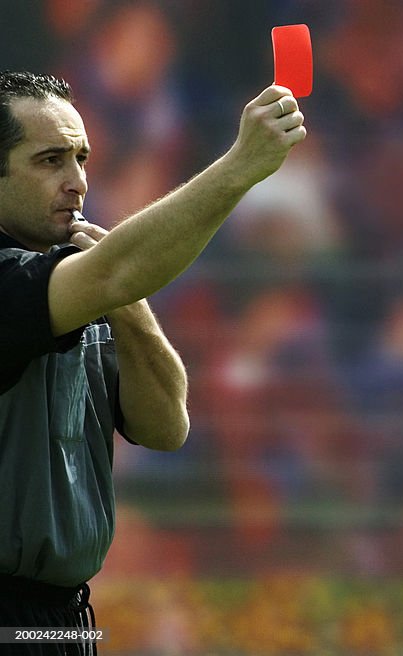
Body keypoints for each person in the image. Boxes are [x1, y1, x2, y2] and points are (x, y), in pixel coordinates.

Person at [0, 70, 305, 654]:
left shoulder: (77, 284)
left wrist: (127, 303)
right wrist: (242, 165)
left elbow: (166, 426)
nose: (77, 182)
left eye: (81, 158)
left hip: (59, 617)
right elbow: (116, 268)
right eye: (49, 161)